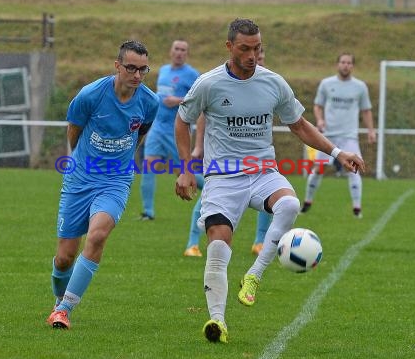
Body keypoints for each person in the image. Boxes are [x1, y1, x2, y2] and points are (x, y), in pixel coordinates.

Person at [174, 18, 364, 343]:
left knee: (290, 204)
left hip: (262, 171)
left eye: (257, 48)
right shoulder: (209, 84)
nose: (252, 54)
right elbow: (182, 122)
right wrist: (186, 169)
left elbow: (300, 126)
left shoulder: (273, 83)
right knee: (218, 245)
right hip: (222, 176)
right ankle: (217, 321)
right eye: (245, 48)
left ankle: (254, 276)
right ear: (229, 46)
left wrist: (337, 153)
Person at [46, 40, 159, 329]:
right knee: (64, 258)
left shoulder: (149, 102)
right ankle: (58, 300)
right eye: (131, 68)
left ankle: (65, 310)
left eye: (142, 70)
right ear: (117, 66)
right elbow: (74, 133)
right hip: (80, 178)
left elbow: (139, 135)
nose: (136, 75)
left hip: (115, 181)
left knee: (97, 237)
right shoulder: (90, 95)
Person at [182, 47, 272, 257]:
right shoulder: (222, 83)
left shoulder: (267, 84)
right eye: (254, 57)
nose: (256, 60)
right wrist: (198, 146)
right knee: (208, 196)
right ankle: (192, 243)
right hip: (223, 156)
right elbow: (204, 114)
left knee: (271, 197)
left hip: (255, 157)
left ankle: (259, 242)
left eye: (261, 58)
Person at [300, 53, 376, 218]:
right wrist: (319, 120)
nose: (345, 65)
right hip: (328, 136)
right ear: (337, 64)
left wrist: (371, 130)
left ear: (352, 66)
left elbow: (366, 110)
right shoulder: (327, 84)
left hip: (349, 136)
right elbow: (318, 106)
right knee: (319, 169)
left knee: (354, 168)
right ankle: (307, 201)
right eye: (343, 62)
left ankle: (357, 207)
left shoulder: (360, 86)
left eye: (349, 63)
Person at [139, 39, 200, 221]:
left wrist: (178, 100)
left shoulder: (192, 75)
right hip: (157, 127)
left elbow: (200, 100)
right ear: (171, 51)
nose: (180, 52)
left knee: (182, 171)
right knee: (148, 166)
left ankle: (212, 188)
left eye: (183, 49)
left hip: (177, 130)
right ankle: (148, 212)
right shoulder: (164, 71)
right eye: (177, 49)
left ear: (186, 54)